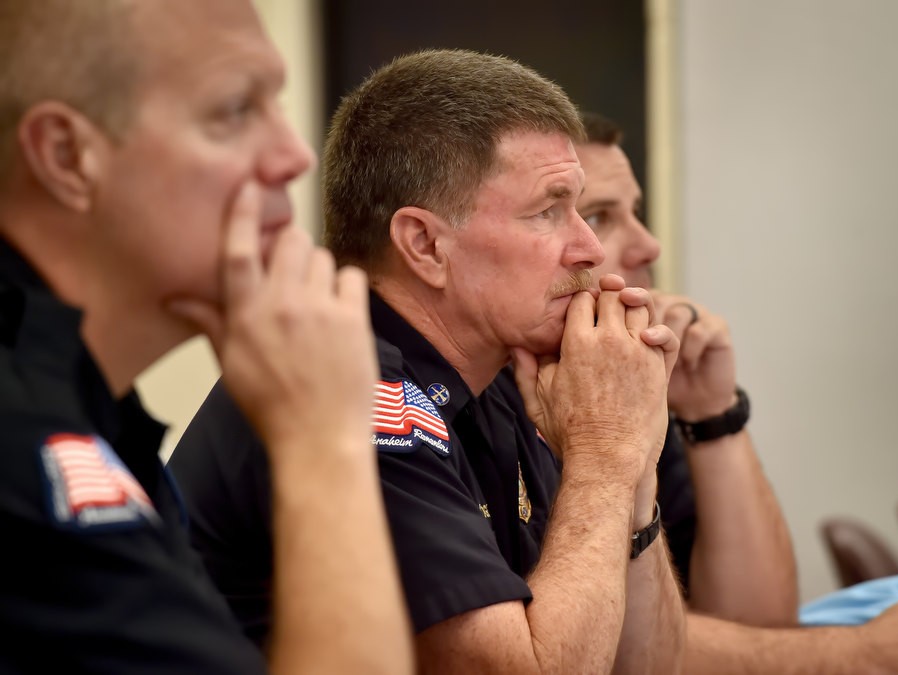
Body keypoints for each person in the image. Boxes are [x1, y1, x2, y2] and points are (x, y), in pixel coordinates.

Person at [170, 49, 686, 673]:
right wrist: (605, 455)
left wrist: (633, 474)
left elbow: (648, 667)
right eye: (547, 211)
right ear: (425, 245)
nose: (590, 248)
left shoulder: (502, 375)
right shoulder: (351, 386)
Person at [0, 1, 411, 672]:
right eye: (234, 110)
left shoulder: (90, 410)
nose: (295, 154)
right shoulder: (24, 442)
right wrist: (321, 441)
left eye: (275, 102)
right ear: (67, 156)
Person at [576, 110, 898, 675]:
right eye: (597, 217)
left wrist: (713, 416)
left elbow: (759, 624)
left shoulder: (633, 378)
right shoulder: (470, 411)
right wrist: (860, 654)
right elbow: (586, 649)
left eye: (634, 212)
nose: (648, 246)